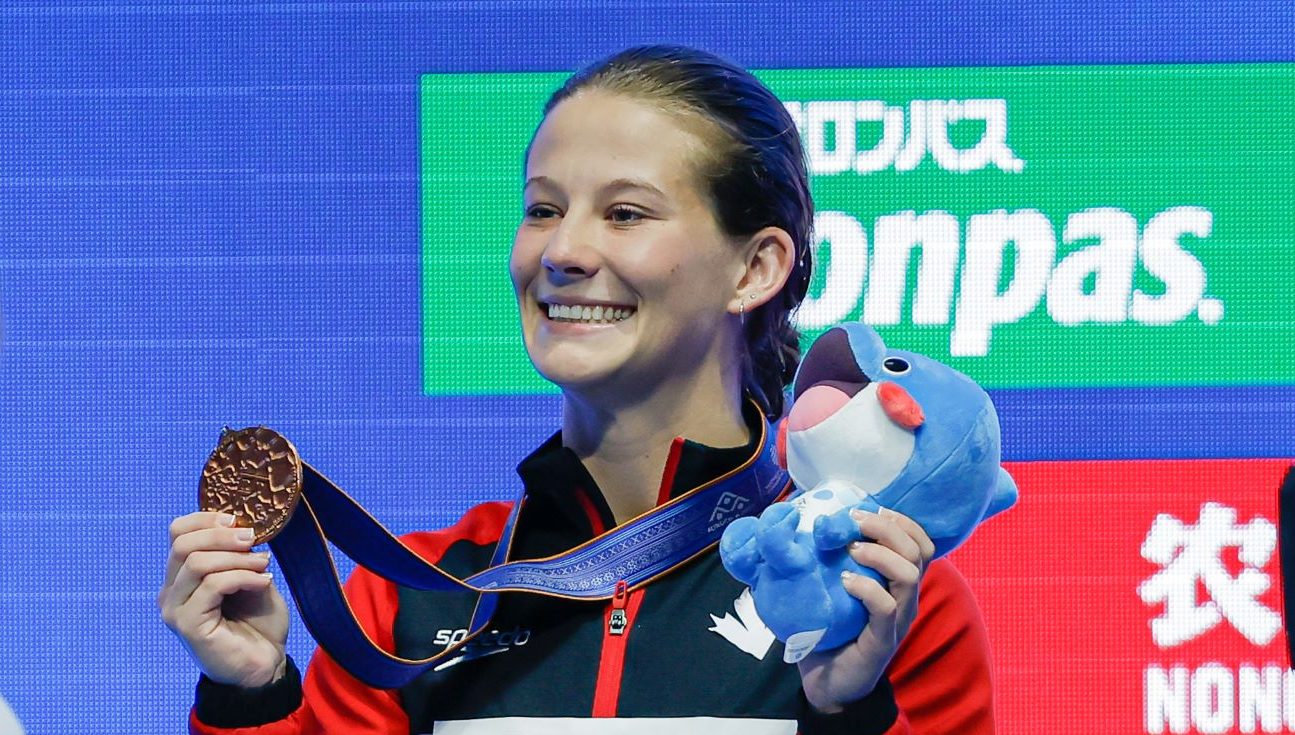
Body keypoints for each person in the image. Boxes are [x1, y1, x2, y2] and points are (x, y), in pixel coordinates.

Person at [159, 45, 995, 734]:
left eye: (624, 213)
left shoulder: (877, 599)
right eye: (543, 209)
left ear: (756, 267)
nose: (561, 250)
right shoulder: (408, 597)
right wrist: (252, 692)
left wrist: (846, 711)